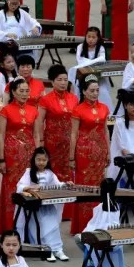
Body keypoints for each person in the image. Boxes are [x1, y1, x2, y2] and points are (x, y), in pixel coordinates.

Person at [0, 78, 39, 234]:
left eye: (27, 91)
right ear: (13, 92)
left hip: (29, 156)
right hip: (11, 157)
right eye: (21, 91)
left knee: (28, 188)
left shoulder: (33, 110)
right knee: (11, 189)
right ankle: (9, 226)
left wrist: (39, 157)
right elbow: (1, 135)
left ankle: (27, 227)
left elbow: (36, 135)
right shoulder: (5, 110)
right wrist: (1, 158)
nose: (24, 94)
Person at [70, 75, 111, 234]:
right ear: (84, 92)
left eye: (97, 90)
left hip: (100, 152)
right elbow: (74, 134)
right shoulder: (78, 109)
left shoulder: (104, 108)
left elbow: (105, 131)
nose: (95, 93)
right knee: (84, 187)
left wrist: (108, 151)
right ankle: (82, 225)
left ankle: (97, 223)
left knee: (99, 187)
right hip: (84, 153)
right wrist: (71, 157)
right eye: (92, 91)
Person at [14, 147, 69, 261]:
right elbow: (19, 186)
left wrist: (66, 185)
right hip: (35, 207)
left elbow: (57, 185)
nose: (41, 162)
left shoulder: (49, 173)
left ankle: (58, 249)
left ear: (48, 160)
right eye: (38, 160)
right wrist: (30, 187)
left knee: (53, 225)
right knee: (43, 225)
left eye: (44, 160)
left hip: (47, 206)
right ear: (34, 160)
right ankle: (47, 249)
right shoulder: (29, 172)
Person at [36, 64, 78, 202]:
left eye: (65, 80)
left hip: (70, 142)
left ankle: (68, 208)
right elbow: (39, 121)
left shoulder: (73, 98)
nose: (63, 83)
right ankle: (52, 201)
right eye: (59, 80)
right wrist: (40, 141)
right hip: (52, 143)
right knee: (53, 173)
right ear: (52, 81)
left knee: (68, 172)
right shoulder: (45, 100)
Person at [80, 178, 125, 267]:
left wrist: (88, 232)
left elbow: (98, 226)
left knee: (80, 239)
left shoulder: (106, 207)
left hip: (104, 240)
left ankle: (93, 265)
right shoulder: (115, 205)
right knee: (84, 239)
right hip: (109, 237)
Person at [69, 27, 111, 107]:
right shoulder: (80, 47)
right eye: (88, 37)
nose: (90, 39)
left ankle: (103, 109)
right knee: (79, 90)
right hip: (83, 75)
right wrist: (95, 61)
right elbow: (80, 61)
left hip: (98, 75)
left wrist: (88, 62)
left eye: (93, 37)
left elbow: (102, 60)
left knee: (103, 91)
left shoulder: (100, 48)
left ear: (98, 38)